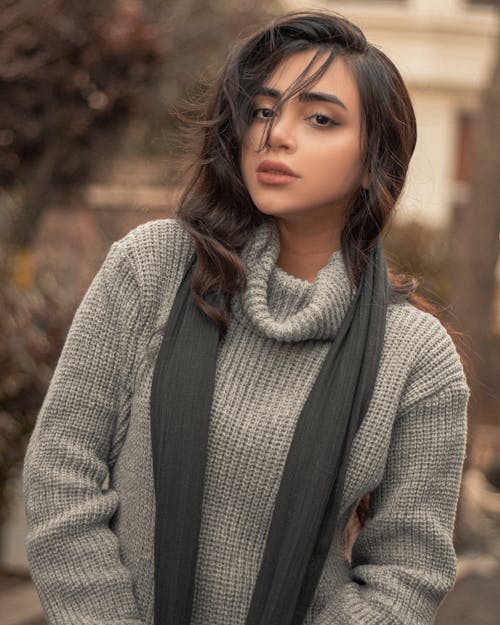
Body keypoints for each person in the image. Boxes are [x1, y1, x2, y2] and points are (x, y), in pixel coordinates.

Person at [23, 9, 470, 625]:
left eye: (319, 119)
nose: (276, 134)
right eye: (262, 110)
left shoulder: (415, 357)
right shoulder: (154, 267)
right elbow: (62, 469)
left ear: (373, 162)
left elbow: (408, 569)